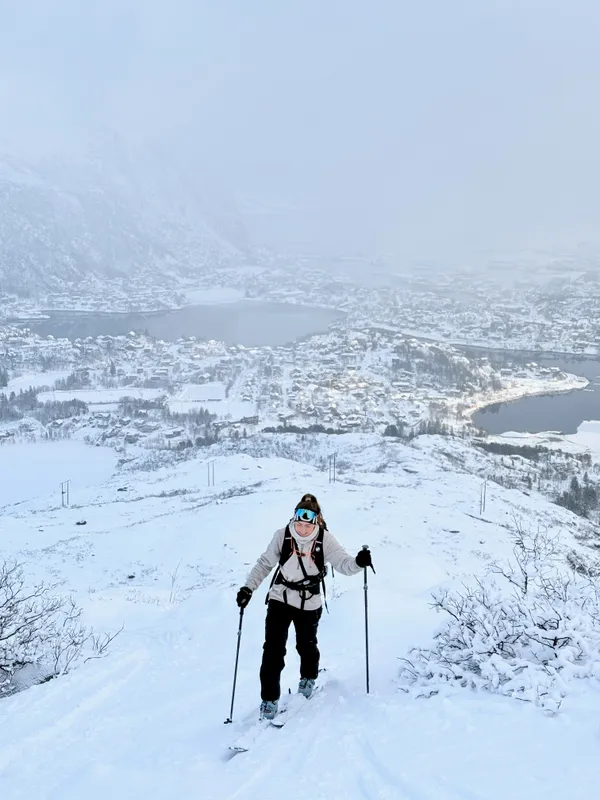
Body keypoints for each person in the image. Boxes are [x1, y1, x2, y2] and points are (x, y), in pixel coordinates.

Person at [236, 493, 373, 719]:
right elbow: (264, 564)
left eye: (306, 526)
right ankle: (269, 701)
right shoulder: (283, 536)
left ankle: (308, 678)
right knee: (273, 650)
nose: (301, 529)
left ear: (315, 522)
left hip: (309, 602)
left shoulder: (325, 540)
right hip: (280, 597)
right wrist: (248, 588)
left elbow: (344, 564)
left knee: (306, 646)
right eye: (298, 524)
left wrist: (359, 562)